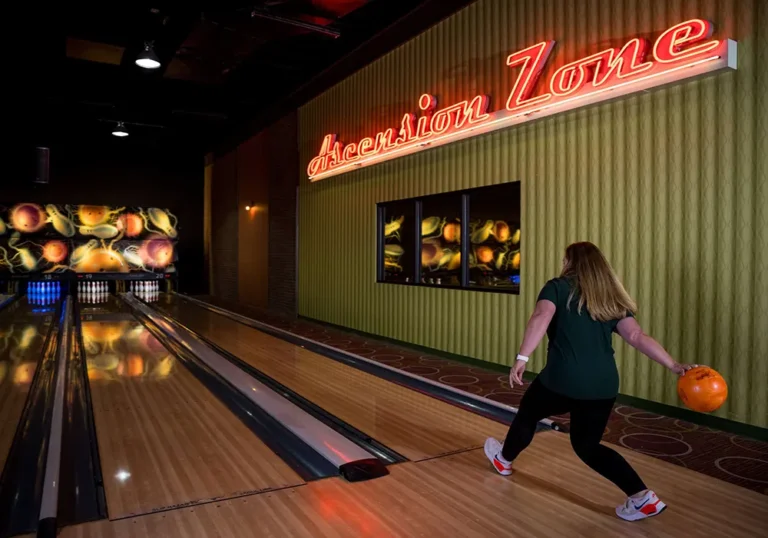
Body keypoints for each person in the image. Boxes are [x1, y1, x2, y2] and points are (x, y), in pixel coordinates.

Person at [484, 242, 696, 521]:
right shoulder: (610, 298)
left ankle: (504, 460)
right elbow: (636, 336)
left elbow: (541, 316)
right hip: (603, 385)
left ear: (570, 262)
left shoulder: (557, 287)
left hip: (563, 379)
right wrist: (674, 365)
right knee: (588, 446)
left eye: (565, 258)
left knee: (528, 413)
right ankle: (642, 497)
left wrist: (523, 356)